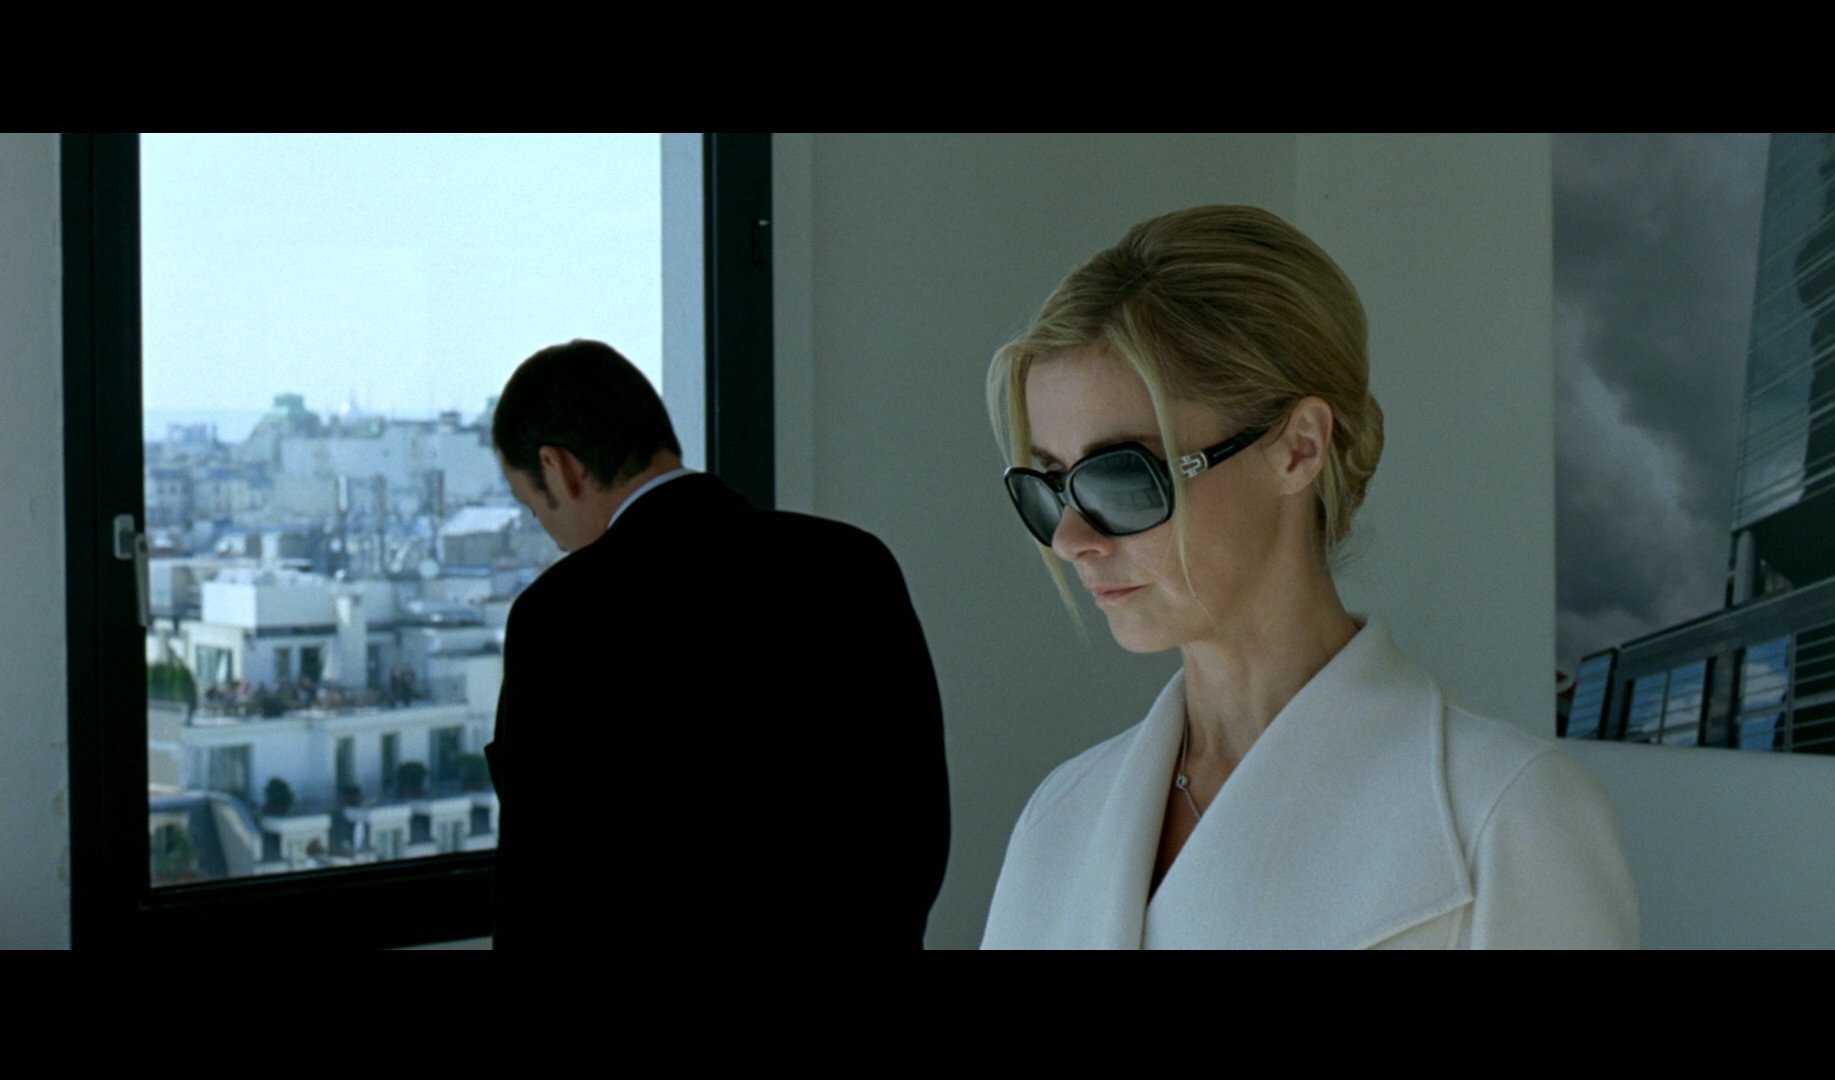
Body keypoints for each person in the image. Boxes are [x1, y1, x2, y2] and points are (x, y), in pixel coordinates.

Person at [980, 206, 1638, 948]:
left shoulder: (1506, 816)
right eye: (1049, 485)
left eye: (1124, 479)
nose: (1070, 540)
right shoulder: (1061, 815)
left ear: (1298, 448)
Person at [486, 340, 949, 949]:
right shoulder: (852, 563)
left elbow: (540, 883)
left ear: (559, 468)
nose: (551, 536)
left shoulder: (559, 617)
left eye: (533, 509)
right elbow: (916, 822)